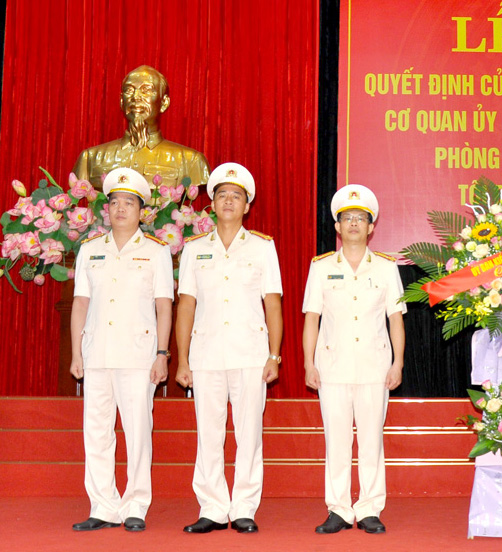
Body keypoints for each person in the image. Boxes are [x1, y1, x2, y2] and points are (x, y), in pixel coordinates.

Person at [175, 162, 283, 534]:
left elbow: (272, 303)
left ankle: (244, 507)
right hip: (206, 353)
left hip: (250, 352)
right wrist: (182, 359)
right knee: (209, 432)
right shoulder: (194, 249)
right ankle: (213, 507)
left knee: (249, 432)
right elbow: (186, 305)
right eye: (222, 195)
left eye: (236, 196)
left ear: (247, 206)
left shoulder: (262, 247)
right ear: (212, 203)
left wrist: (274, 355)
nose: (228, 201)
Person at [69, 168, 173, 532]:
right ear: (106, 209)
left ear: (142, 211)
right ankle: (103, 505)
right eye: (114, 202)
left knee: (138, 430)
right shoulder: (90, 250)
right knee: (96, 431)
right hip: (97, 352)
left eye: (129, 203)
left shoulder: (156, 252)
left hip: (138, 355)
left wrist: (162, 354)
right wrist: (76, 353)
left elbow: (164, 306)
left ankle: (135, 505)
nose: (121, 209)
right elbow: (80, 304)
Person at [302, 184, 406, 535]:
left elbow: (395, 319)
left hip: (375, 366)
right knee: (337, 440)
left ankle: (370, 508)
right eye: (347, 218)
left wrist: (398, 363)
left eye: (361, 218)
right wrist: (309, 363)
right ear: (337, 226)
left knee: (372, 439)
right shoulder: (321, 268)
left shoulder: (386, 268)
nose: (354, 224)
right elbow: (312, 318)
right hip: (332, 366)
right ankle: (339, 509)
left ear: (371, 227)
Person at [73, 65, 209, 200]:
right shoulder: (90, 158)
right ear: (121, 102)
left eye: (146, 90)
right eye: (129, 90)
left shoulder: (191, 161)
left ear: (164, 103)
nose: (136, 97)